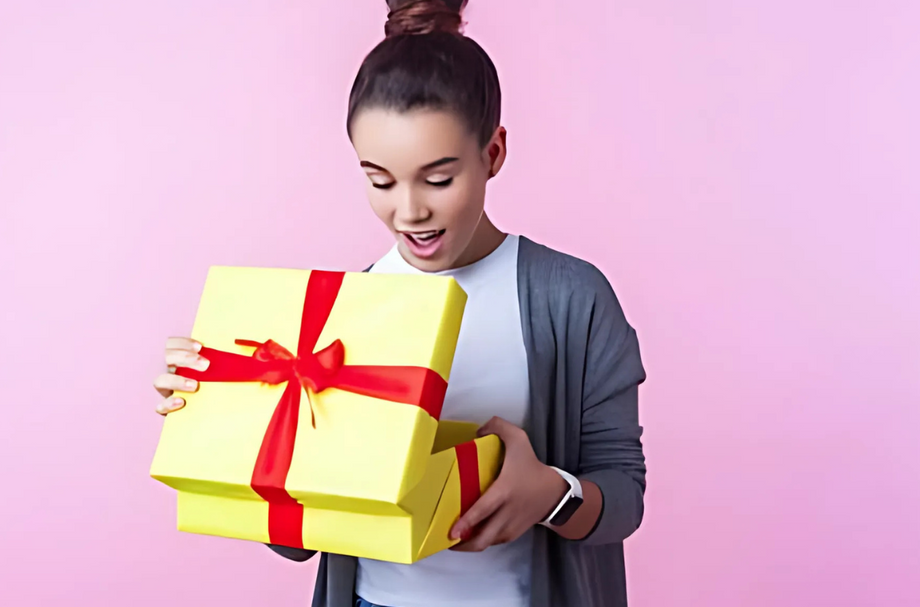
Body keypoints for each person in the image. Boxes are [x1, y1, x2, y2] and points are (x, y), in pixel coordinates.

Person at [152, 1, 647, 606]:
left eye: (438, 178)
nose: (409, 211)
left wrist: (550, 493)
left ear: (493, 154)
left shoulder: (570, 299)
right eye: (379, 179)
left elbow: (622, 496)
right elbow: (299, 539)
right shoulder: (342, 314)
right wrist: (223, 418)